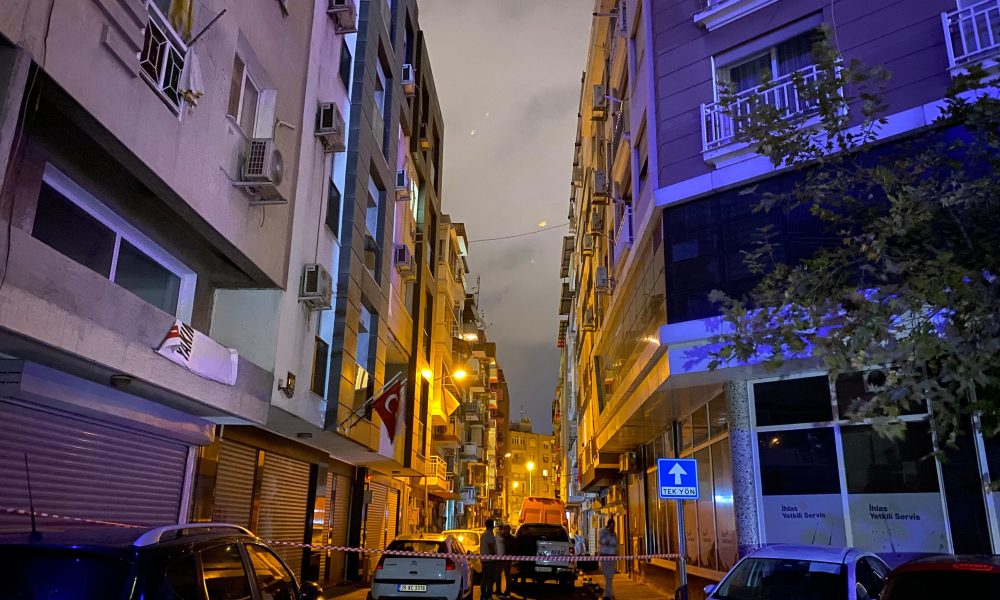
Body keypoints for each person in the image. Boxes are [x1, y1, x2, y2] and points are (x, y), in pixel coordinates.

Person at [598, 518, 618, 600]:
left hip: (612, 557)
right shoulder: (603, 532)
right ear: (609, 525)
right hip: (605, 556)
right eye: (612, 526)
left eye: (614, 526)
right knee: (608, 576)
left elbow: (615, 543)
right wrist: (609, 538)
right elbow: (602, 541)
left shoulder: (614, 534)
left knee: (610, 577)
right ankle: (608, 595)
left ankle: (608, 595)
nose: (613, 527)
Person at [480, 519, 498, 600]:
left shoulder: (483, 534)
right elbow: (491, 548)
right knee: (490, 578)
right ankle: (488, 595)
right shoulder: (490, 535)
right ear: (492, 526)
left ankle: (483, 595)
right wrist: (495, 557)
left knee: (484, 578)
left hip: (483, 560)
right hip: (490, 561)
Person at [498, 524, 516, 598]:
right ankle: (498, 590)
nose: (506, 530)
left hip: (507, 560)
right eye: (505, 529)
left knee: (507, 575)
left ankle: (507, 591)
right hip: (499, 559)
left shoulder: (512, 539)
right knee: (498, 575)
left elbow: (514, 549)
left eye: (507, 529)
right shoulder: (500, 537)